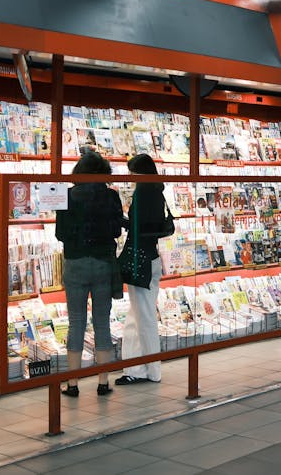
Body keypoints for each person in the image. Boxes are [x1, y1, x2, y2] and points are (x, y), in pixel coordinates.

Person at [55, 151, 123, 398]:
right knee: (102, 321)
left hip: (75, 263)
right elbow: (116, 229)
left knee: (76, 322)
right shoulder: (111, 197)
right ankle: (103, 382)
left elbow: (60, 234)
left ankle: (72, 383)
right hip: (103, 262)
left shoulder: (67, 196)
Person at [116, 153, 167, 386]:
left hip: (142, 260)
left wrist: (121, 220)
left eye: (132, 174)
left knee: (144, 317)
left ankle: (153, 370)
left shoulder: (145, 192)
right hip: (150, 257)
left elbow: (140, 227)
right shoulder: (156, 190)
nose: (130, 178)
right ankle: (136, 368)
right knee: (137, 316)